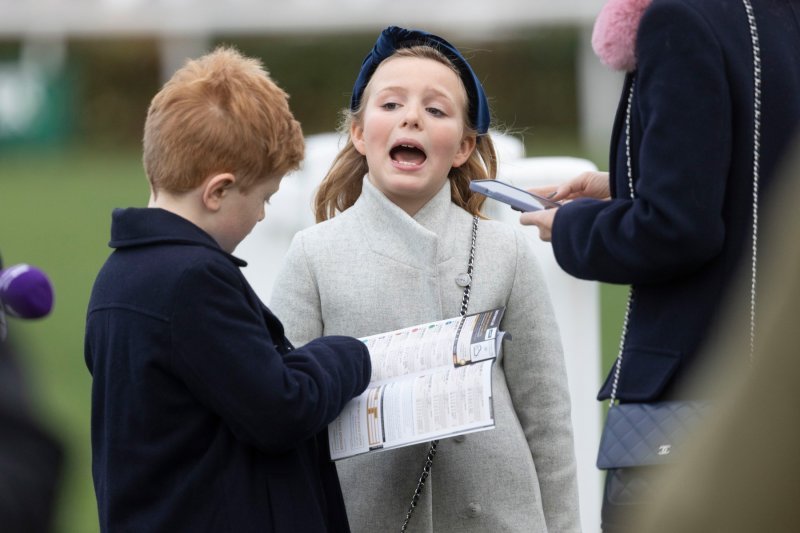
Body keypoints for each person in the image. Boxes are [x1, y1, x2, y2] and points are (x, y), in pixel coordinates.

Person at [270, 26, 581, 533]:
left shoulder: (505, 251)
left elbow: (546, 418)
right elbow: (284, 409)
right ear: (357, 133)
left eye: (435, 110)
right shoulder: (313, 254)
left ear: (462, 147)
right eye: (390, 104)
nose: (411, 116)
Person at [519, 0, 800, 531]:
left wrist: (571, 228)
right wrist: (629, 184)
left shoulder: (680, 17)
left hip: (703, 385)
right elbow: (758, 177)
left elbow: (675, 229)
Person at [84, 47, 372, 533]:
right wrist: (347, 355)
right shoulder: (192, 280)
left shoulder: (119, 274)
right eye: (262, 198)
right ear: (217, 191)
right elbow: (281, 407)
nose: (262, 216)